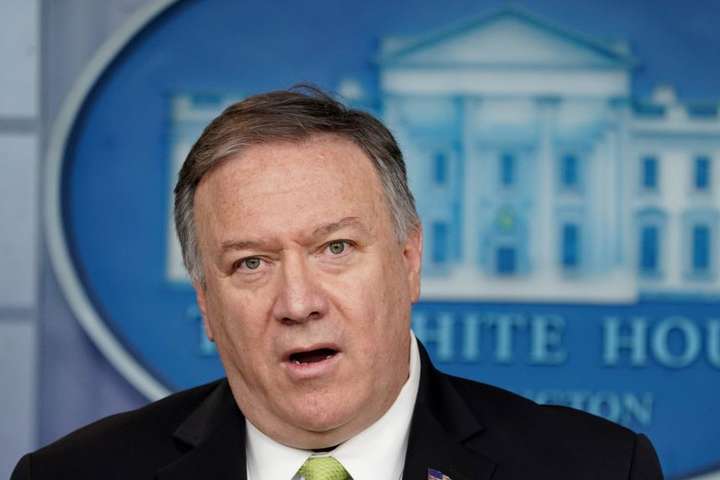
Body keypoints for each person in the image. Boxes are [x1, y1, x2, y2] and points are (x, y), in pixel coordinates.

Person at [12, 87, 663, 479]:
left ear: (409, 261)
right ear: (206, 303)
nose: (298, 303)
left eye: (335, 248)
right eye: (251, 263)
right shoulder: (71, 476)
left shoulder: (599, 469)